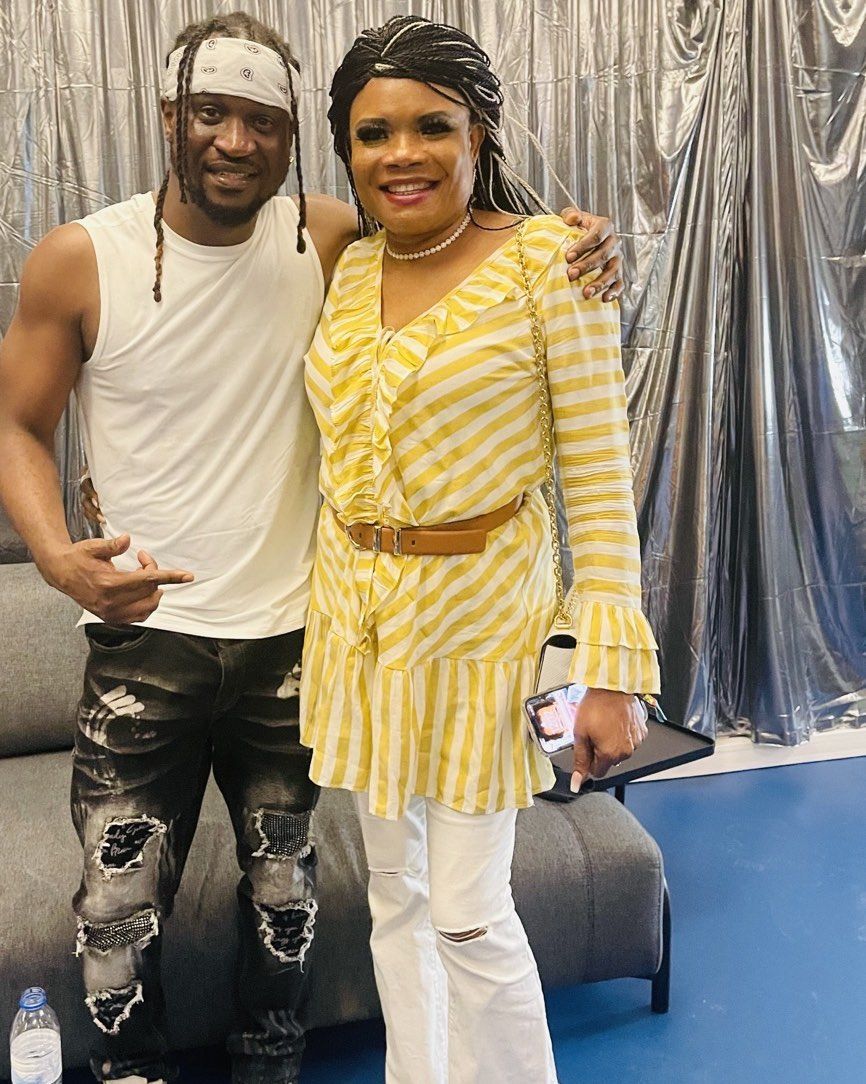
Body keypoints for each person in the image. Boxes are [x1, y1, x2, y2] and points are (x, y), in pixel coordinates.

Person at [0, 12, 624, 1084]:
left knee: (309, 904)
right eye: (208, 113)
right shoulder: (97, 259)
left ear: (295, 139)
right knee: (126, 906)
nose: (234, 140)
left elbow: (584, 457)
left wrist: (586, 246)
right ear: (166, 115)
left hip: (320, 637)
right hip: (184, 638)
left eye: (262, 120)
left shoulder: (331, 240)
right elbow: (19, 421)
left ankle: (273, 1068)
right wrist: (58, 558)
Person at [300, 15, 661, 1084]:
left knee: (466, 911)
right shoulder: (348, 265)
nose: (400, 153)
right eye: (372, 133)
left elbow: (598, 484)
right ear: (346, 148)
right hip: (357, 627)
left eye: (431, 126)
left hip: (479, 631)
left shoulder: (553, 263)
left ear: (479, 132)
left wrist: (608, 673)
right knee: (394, 897)